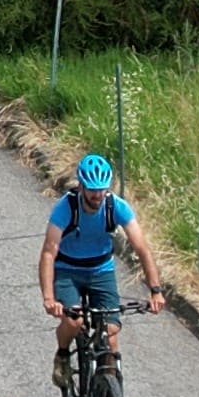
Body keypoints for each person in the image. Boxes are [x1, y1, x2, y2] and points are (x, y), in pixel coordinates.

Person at [37, 152, 163, 385]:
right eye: (92, 189)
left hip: (100, 270)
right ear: (82, 186)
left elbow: (142, 248)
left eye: (102, 189)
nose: (97, 195)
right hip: (67, 269)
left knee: (112, 332)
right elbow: (48, 253)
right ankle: (63, 354)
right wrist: (49, 298)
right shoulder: (65, 208)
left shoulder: (117, 207)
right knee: (74, 321)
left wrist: (155, 290)